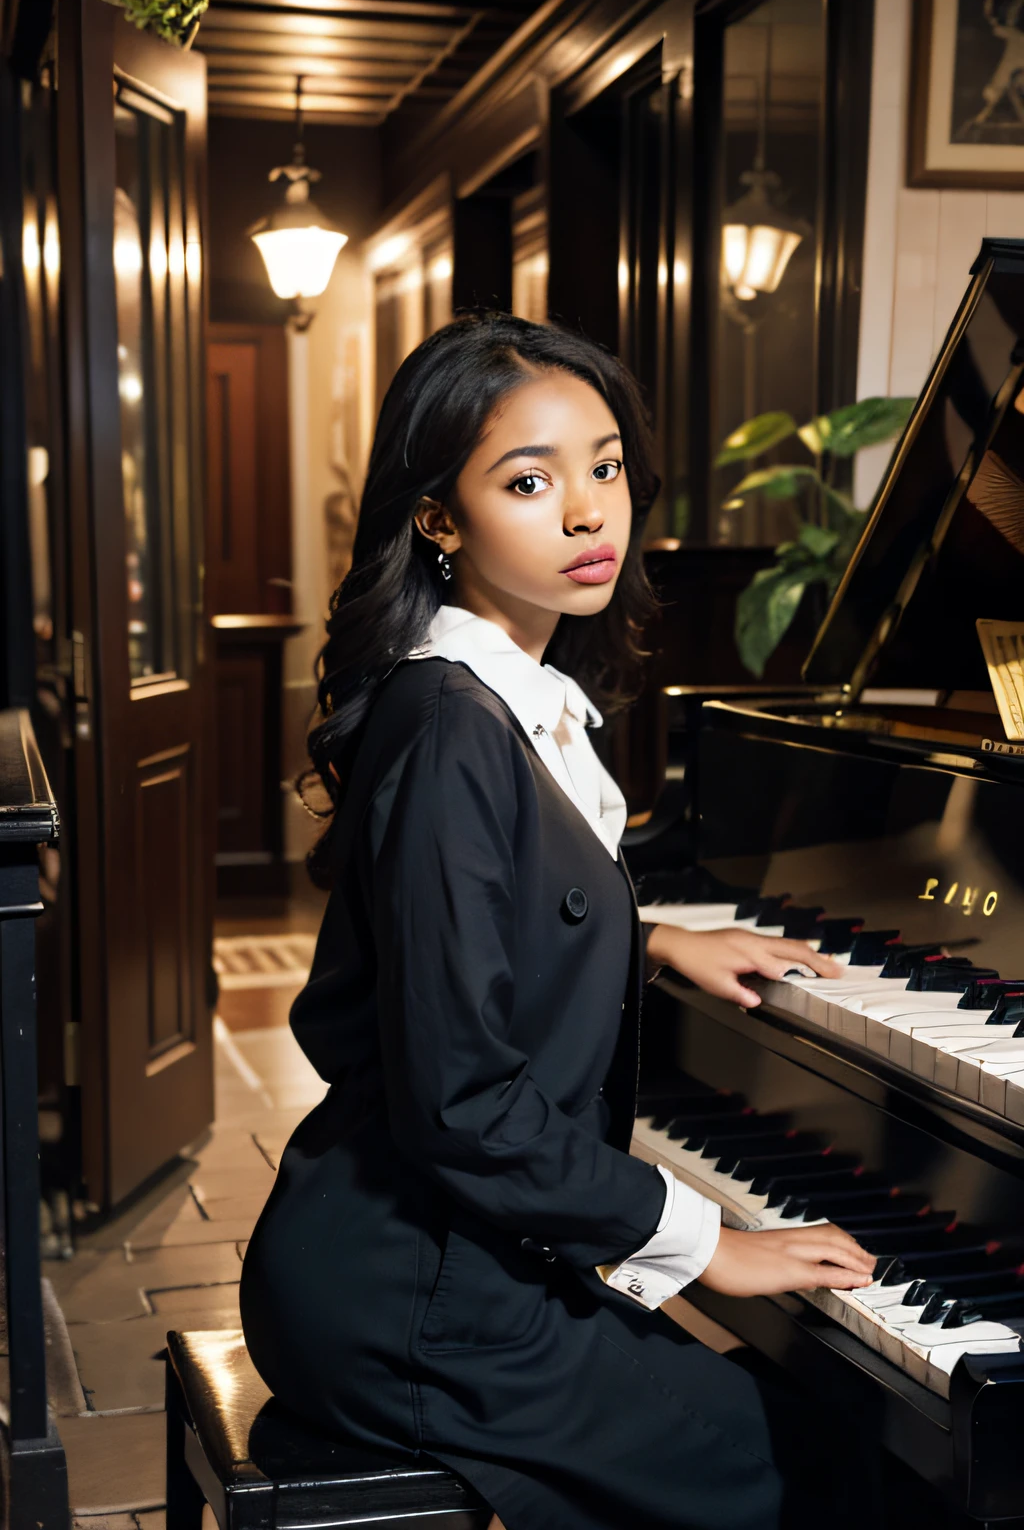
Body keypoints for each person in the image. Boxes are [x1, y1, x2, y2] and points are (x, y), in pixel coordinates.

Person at [239, 313, 878, 1530]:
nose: (588, 511)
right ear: (438, 518)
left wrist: (647, 935)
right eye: (528, 481)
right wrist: (707, 1244)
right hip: (414, 1298)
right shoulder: (449, 729)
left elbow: (473, 917)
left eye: (604, 466)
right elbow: (462, 1101)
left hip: (450, 1262)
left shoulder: (498, 696)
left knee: (797, 1437)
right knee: (821, 1472)